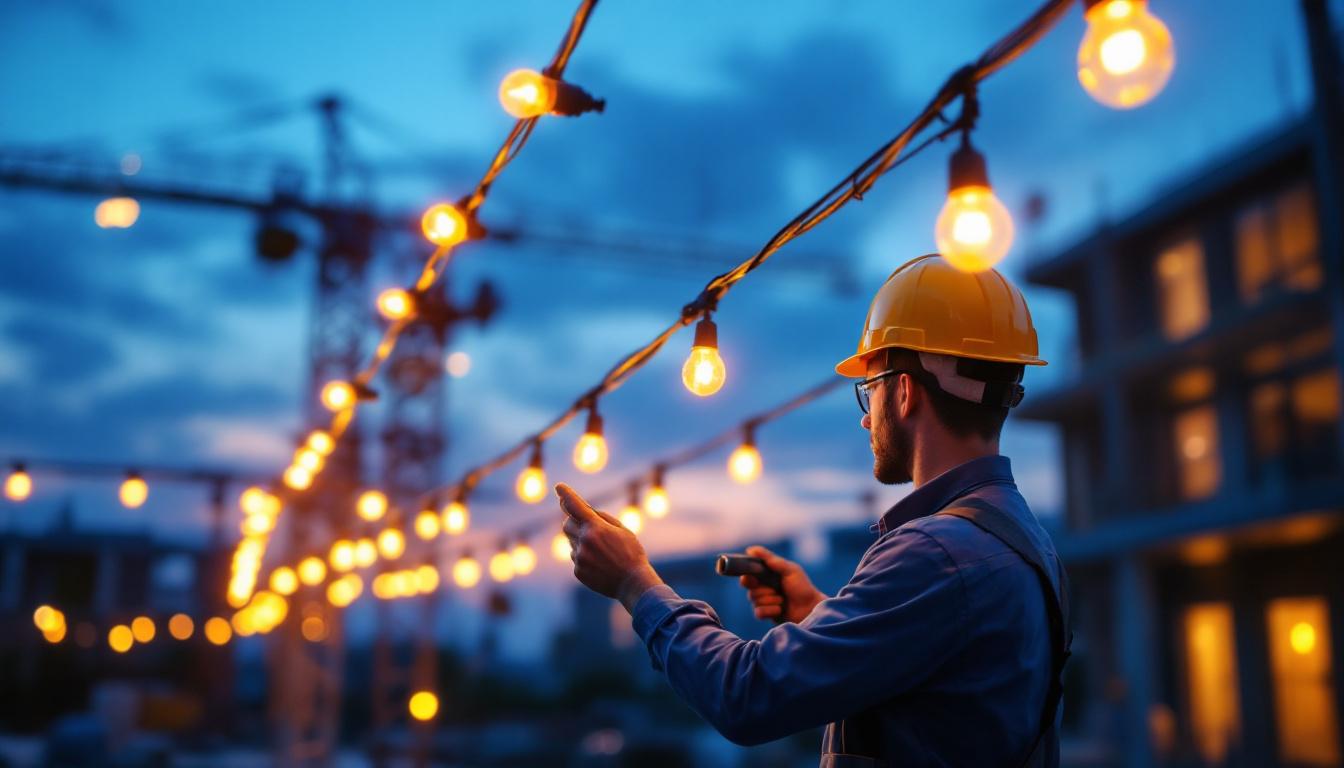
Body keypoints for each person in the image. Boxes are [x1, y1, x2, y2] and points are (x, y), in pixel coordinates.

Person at [557, 254, 1071, 767]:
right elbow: (937, 685)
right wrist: (817, 612)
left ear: (904, 392)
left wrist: (635, 585)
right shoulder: (1026, 544)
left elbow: (747, 696)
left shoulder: (935, 554)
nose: (866, 420)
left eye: (869, 391)